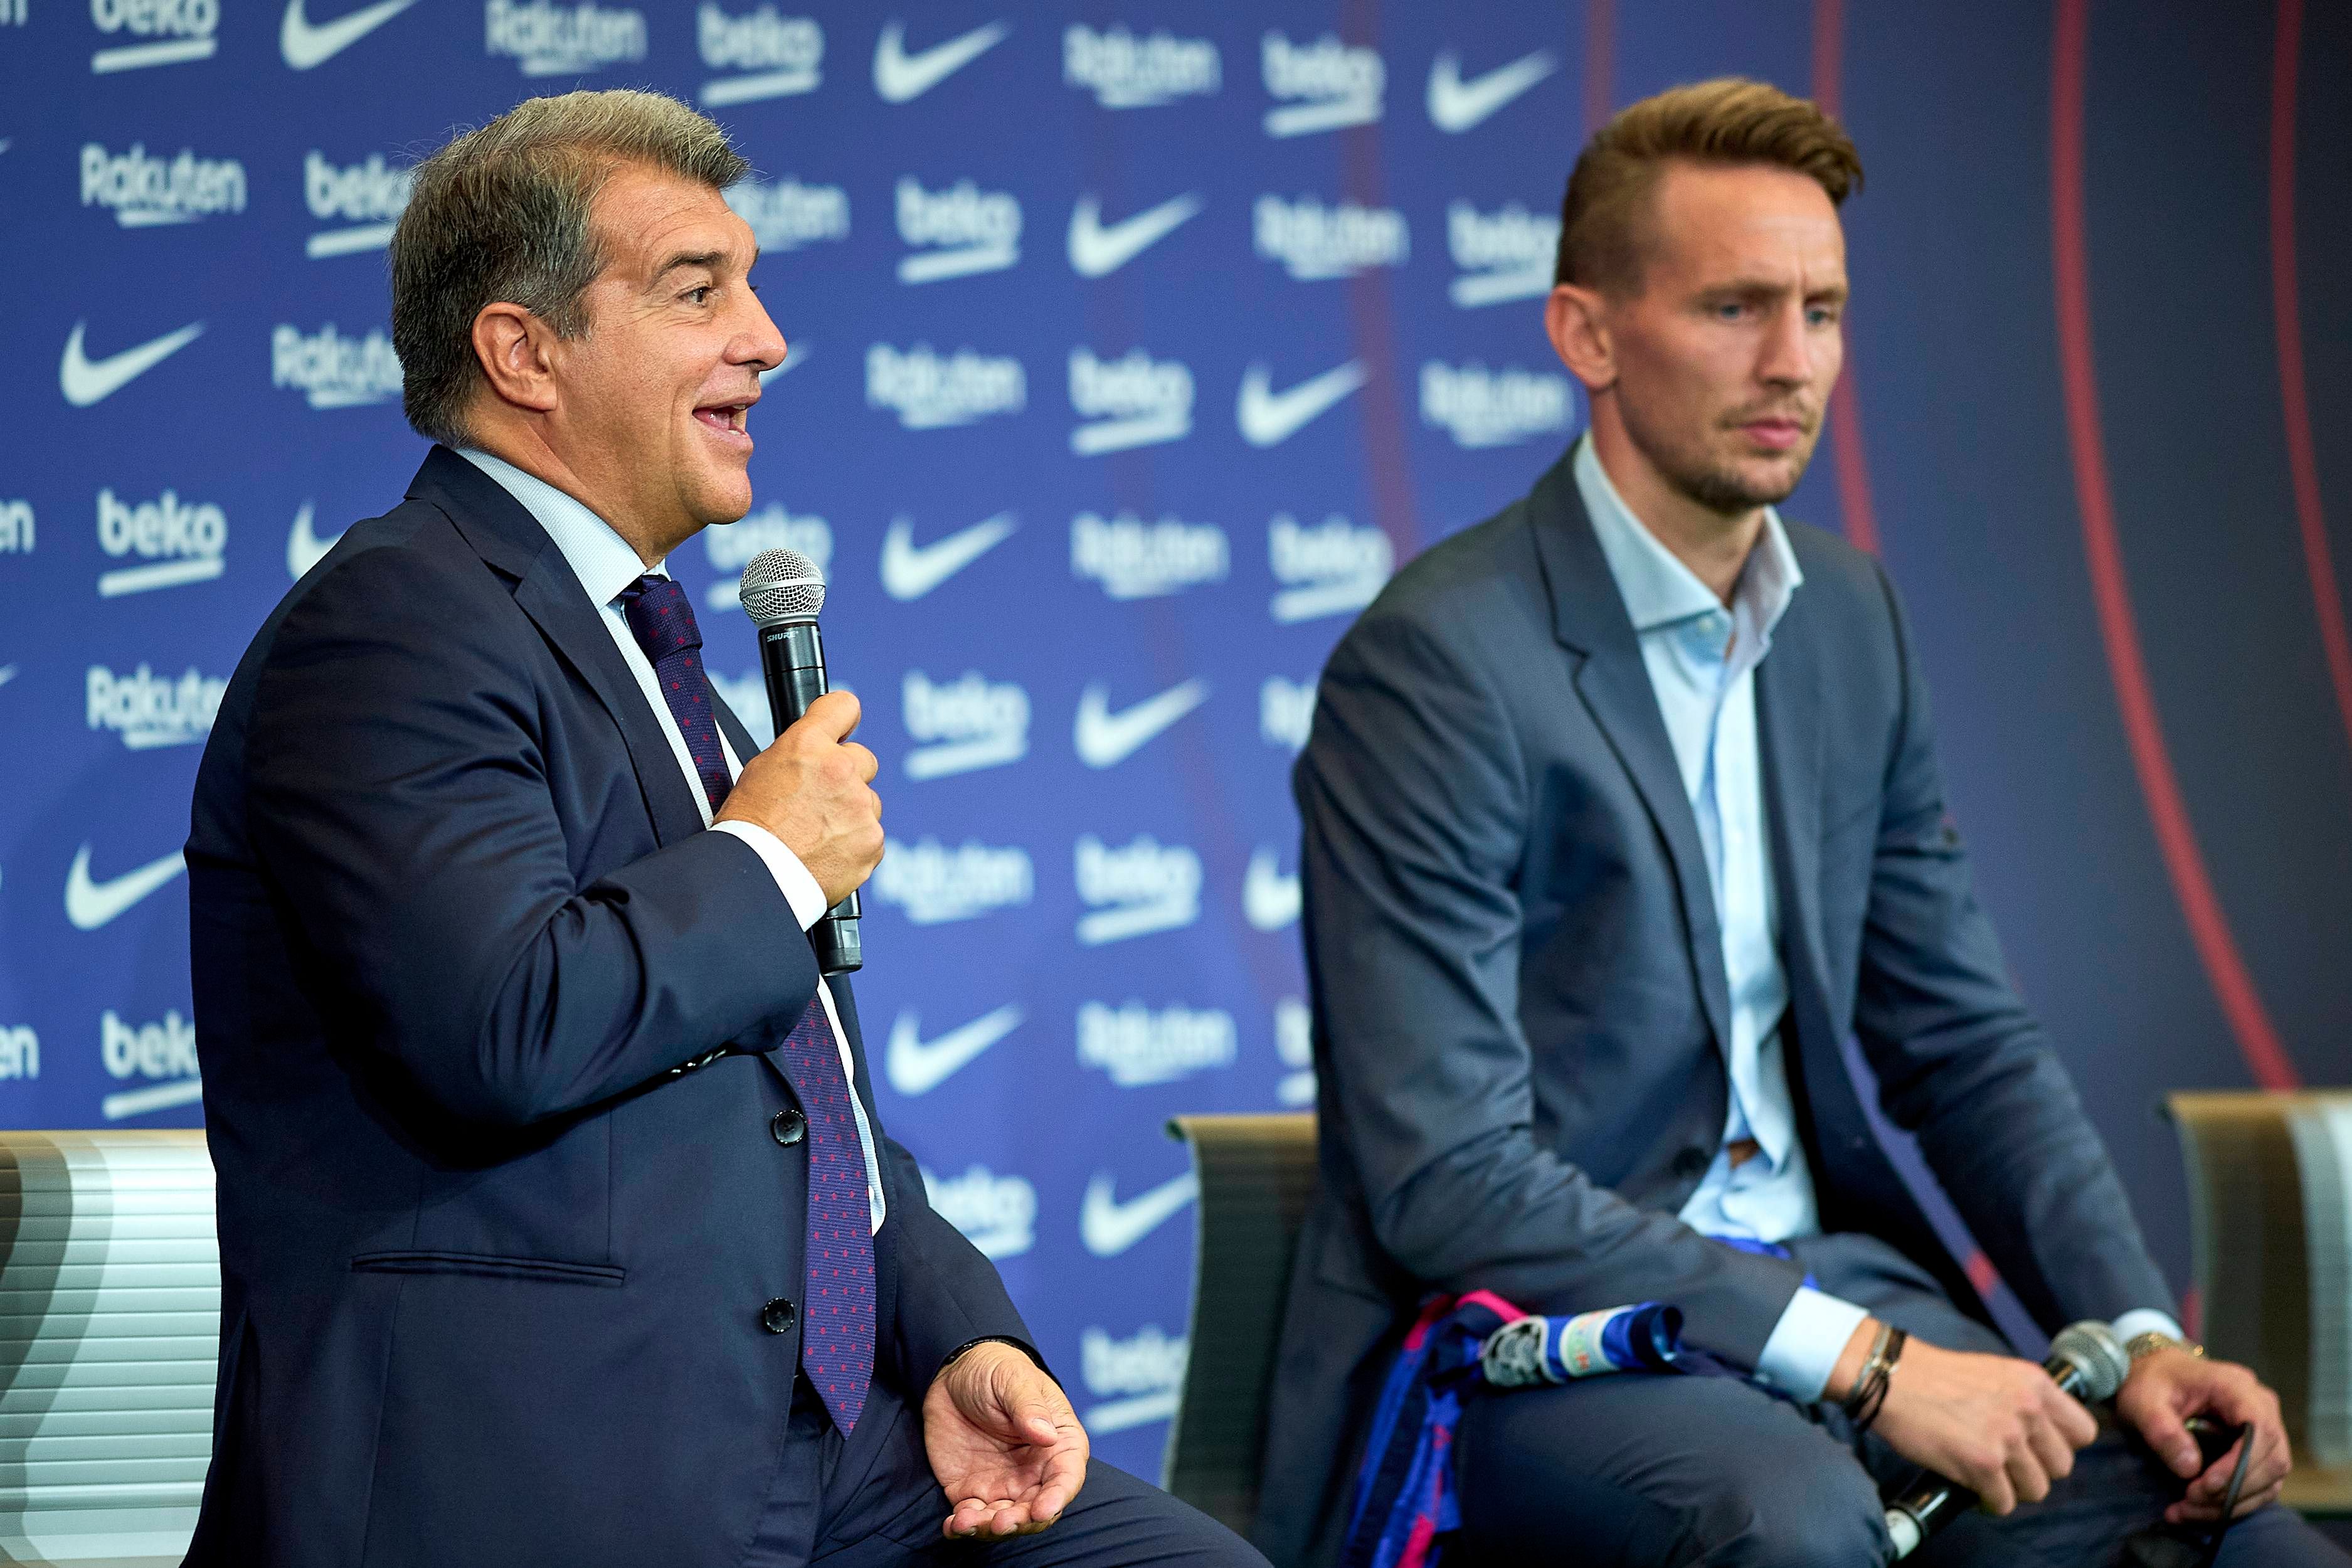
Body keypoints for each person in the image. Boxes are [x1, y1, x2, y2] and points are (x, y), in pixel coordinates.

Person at [1256, 78, 2348, 1567]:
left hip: (1834, 1298)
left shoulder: (1848, 616)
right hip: (1534, 1336)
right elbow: (1452, 1175)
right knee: (1795, 1525)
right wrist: (1873, 1363)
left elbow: (1962, 1040)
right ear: (1587, 333)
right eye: (1734, 308)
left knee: (2239, 1540)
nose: (1793, 364)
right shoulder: (1440, 658)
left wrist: (2140, 1333)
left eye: (1823, 311)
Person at [183, 90, 1263, 1568]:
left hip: (825, 1438)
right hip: (547, 1453)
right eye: (698, 290)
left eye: (751, 284)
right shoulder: (395, 624)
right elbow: (503, 1023)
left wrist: (953, 1332)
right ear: (524, 351)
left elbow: (803, 1094)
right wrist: (762, 860)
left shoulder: (651, 646)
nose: (764, 337)